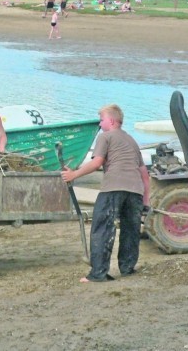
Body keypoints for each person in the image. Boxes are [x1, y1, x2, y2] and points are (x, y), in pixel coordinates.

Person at [61, 104, 149, 283]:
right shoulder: (131, 140)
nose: (99, 124)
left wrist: (74, 174)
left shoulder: (105, 137)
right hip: (135, 191)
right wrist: (145, 202)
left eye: (101, 120)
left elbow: (96, 163)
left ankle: (98, 273)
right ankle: (127, 268)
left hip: (113, 187)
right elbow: (144, 175)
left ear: (111, 121)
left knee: (102, 228)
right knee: (130, 230)